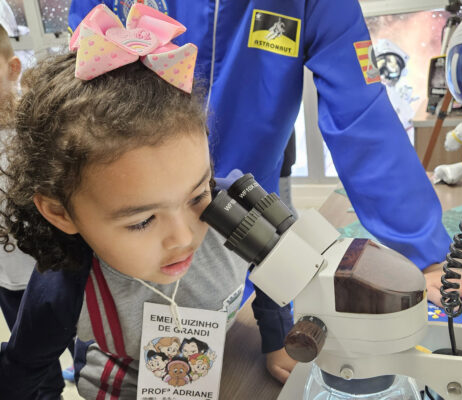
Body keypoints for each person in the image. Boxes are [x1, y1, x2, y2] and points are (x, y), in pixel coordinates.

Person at [69, 0, 462, 383]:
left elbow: (360, 113)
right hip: (132, 230)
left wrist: (425, 254)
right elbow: (87, 114)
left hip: (247, 212)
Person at [0, 4, 291, 397]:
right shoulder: (64, 281)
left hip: (226, 367)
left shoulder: (230, 212)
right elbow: (26, 371)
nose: (183, 237)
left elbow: (274, 261)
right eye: (142, 221)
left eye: (196, 195)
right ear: (60, 212)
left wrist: (276, 338)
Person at [0, 22, 72, 399]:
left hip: (61, 273)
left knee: (89, 348)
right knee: (34, 369)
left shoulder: (34, 129)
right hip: (10, 283)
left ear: (12, 69)